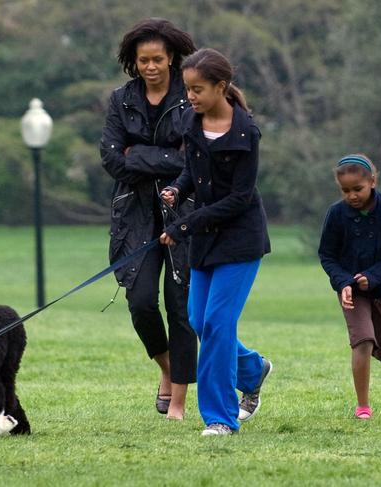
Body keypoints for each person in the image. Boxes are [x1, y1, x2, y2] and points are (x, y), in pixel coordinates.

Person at [159, 48, 272, 436]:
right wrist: (177, 188)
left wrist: (183, 227)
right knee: (199, 321)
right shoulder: (192, 122)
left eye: (198, 89)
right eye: (188, 88)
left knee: (219, 324)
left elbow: (239, 199)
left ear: (221, 87)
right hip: (204, 237)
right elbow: (192, 169)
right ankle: (254, 370)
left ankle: (220, 418)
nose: (190, 96)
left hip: (240, 240)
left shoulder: (246, 132)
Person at [100, 18, 197, 420]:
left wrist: (137, 155)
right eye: (143, 60)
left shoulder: (190, 96)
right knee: (140, 302)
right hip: (135, 216)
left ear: (171, 58)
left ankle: (177, 402)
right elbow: (110, 157)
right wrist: (162, 158)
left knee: (181, 309)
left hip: (184, 213)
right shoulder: (120, 99)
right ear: (133, 62)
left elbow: (192, 157)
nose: (151, 66)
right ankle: (167, 367)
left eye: (157, 59)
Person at [318, 154, 381, 420]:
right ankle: (363, 407)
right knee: (363, 341)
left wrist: (374, 276)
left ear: (372, 181)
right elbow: (327, 255)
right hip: (351, 292)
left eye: (357, 189)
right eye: (345, 191)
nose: (351, 196)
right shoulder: (336, 214)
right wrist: (343, 282)